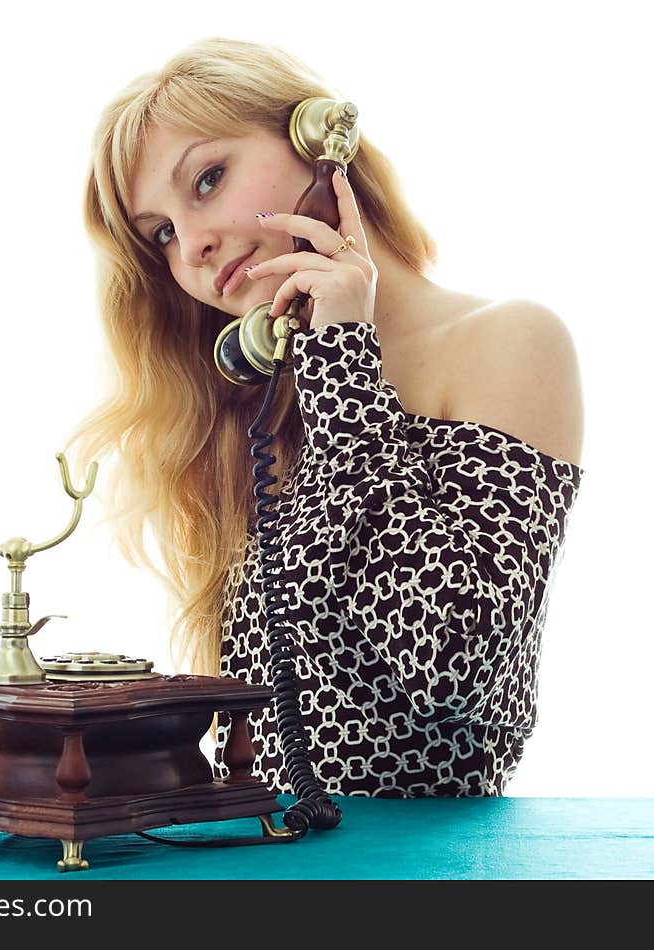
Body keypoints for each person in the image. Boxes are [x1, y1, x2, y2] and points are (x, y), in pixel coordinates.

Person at [63, 36, 585, 797]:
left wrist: (346, 361)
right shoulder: (259, 402)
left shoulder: (511, 341)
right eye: (163, 235)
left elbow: (448, 664)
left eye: (208, 178)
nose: (195, 246)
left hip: (422, 872)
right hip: (264, 859)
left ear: (319, 140)